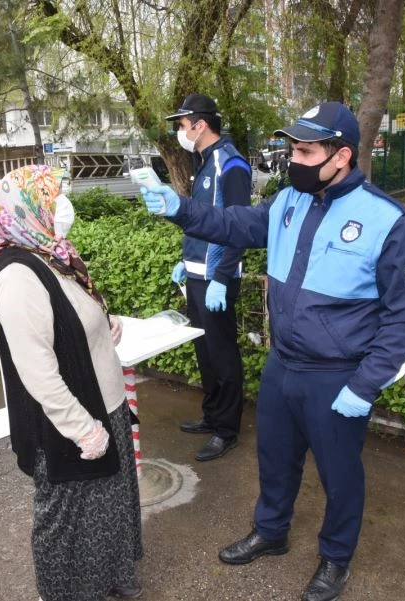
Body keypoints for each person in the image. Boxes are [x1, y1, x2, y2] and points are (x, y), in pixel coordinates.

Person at [141, 102, 405, 601]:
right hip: (283, 365)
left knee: (340, 475)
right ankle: (271, 532)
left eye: (304, 150)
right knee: (275, 459)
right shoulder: (289, 201)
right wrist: (179, 208)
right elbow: (235, 226)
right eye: (291, 147)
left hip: (337, 377)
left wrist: (364, 386)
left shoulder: (388, 222)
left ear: (341, 156)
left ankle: (335, 558)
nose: (291, 158)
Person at [0, 165, 142, 601]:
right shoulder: (17, 276)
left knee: (108, 507)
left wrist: (100, 324)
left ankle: (111, 578)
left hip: (104, 404)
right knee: (69, 521)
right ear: (31, 209)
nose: (63, 207)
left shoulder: (50, 253)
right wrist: (82, 427)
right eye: (54, 198)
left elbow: (72, 313)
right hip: (69, 423)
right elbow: (36, 368)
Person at [164, 93, 250, 462]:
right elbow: (202, 220)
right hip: (197, 275)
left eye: (182, 125)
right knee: (205, 350)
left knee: (222, 353)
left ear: (200, 124)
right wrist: (187, 259)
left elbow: (238, 226)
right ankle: (212, 416)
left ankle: (227, 430)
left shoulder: (231, 164)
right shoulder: (203, 162)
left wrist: (221, 275)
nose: (180, 132)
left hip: (218, 279)